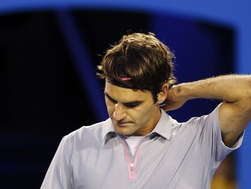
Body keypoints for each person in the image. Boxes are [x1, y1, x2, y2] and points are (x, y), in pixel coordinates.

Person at [41, 32, 251, 189]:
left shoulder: (199, 139)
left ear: (161, 94)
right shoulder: (75, 144)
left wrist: (182, 92)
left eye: (132, 104)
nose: (118, 114)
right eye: (111, 99)